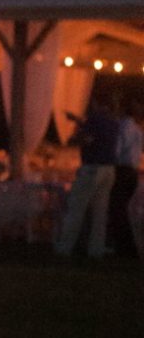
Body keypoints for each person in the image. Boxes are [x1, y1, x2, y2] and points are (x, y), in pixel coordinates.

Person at [54, 94, 121, 258]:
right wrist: (78, 121)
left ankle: (65, 247)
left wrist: (74, 139)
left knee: (76, 208)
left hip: (92, 168)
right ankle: (96, 249)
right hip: (109, 169)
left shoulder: (94, 119)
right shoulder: (113, 121)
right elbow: (99, 133)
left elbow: (88, 138)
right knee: (100, 212)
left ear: (95, 102)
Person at [108, 98, 143, 257]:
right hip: (133, 172)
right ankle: (129, 244)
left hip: (121, 170)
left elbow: (117, 150)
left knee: (117, 208)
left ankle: (122, 245)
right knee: (126, 208)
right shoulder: (138, 130)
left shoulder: (122, 128)